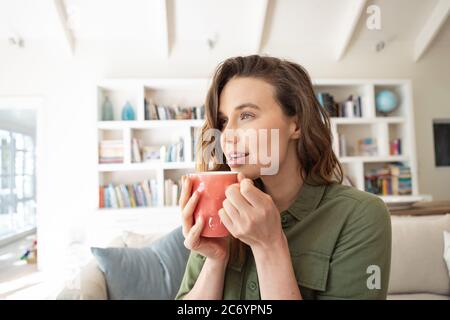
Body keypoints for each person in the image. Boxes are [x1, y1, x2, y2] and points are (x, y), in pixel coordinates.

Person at [175, 55, 391, 300]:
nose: (226, 137)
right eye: (223, 122)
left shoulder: (360, 215)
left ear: (296, 124)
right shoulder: (219, 206)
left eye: (246, 115)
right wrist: (216, 260)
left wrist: (269, 245)